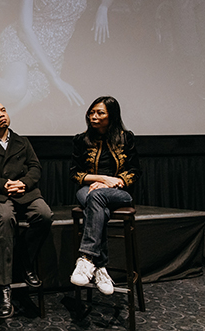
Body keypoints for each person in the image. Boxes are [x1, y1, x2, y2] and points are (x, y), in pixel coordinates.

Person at [0, 101, 53, 318]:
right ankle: (2, 287)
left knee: (44, 214)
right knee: (4, 217)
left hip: (24, 191)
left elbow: (35, 167)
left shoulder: (22, 142)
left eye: (3, 110)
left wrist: (24, 183)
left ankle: (24, 258)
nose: (1, 115)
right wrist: (3, 184)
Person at [69, 96, 141, 295]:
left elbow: (135, 171)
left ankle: (86, 258)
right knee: (97, 202)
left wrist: (114, 181)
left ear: (112, 115)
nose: (94, 116)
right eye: (91, 112)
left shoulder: (126, 138)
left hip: (120, 192)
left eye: (100, 113)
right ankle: (100, 268)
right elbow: (75, 173)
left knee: (96, 199)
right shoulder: (81, 140)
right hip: (90, 190)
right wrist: (101, 179)